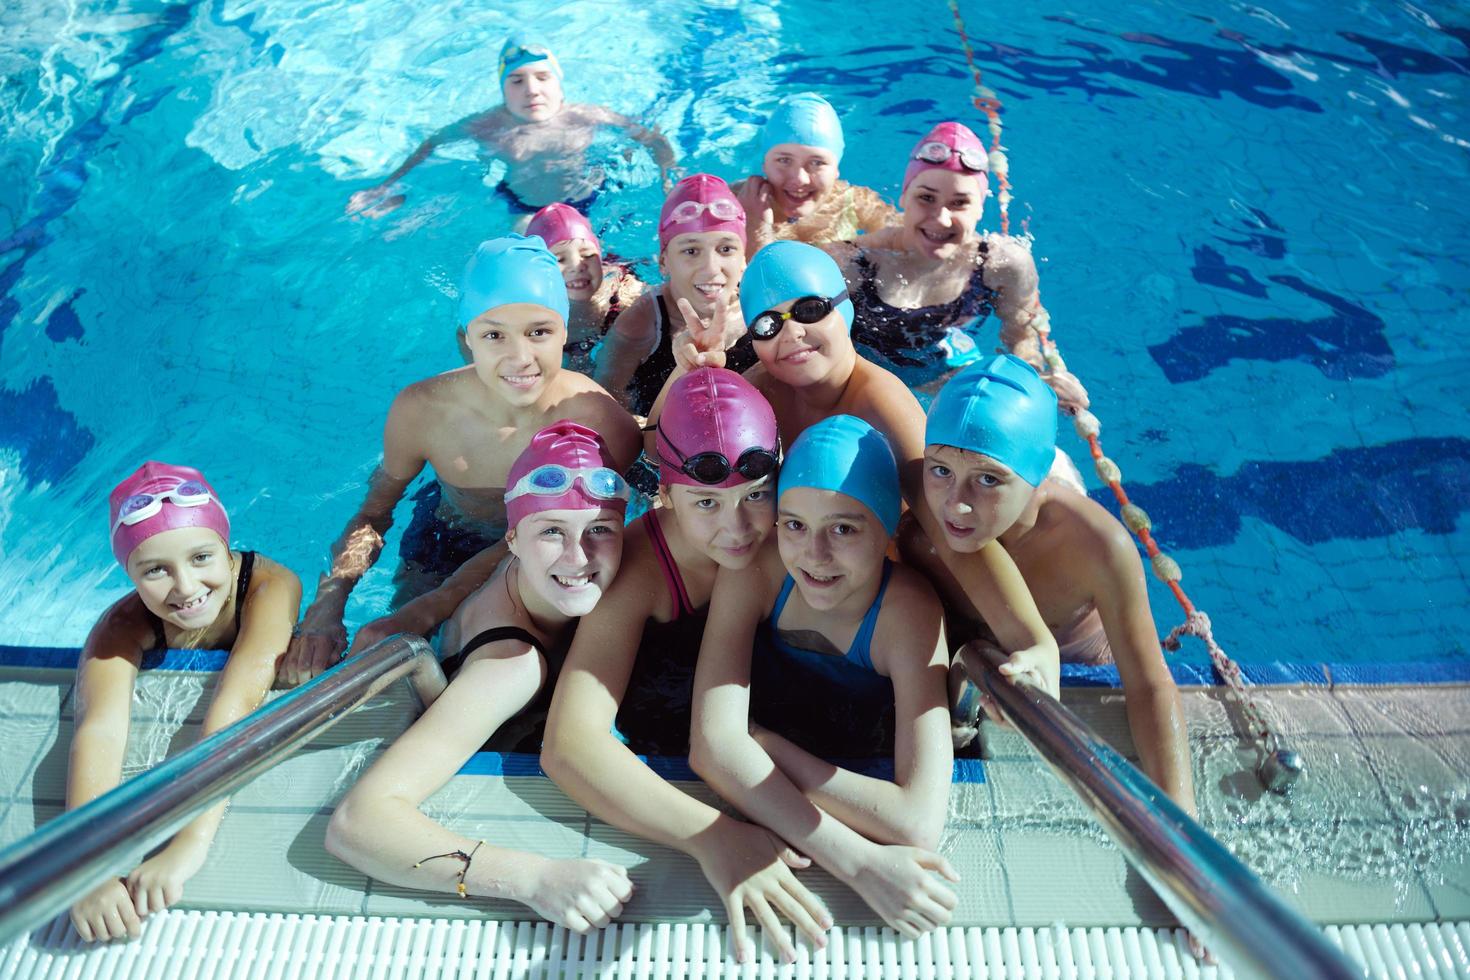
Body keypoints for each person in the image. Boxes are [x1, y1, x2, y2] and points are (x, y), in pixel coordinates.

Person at [662, 241, 1060, 700]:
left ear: (845, 309)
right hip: (800, 563)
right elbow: (666, 454)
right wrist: (692, 375)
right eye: (769, 325)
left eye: (810, 310)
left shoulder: (882, 405)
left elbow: (952, 533)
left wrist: (1031, 638)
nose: (791, 336)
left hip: (862, 578)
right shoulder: (762, 387)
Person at [541, 368, 838, 963]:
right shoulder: (641, 575)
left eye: (757, 495)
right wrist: (713, 837)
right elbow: (569, 744)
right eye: (707, 502)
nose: (739, 528)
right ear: (664, 494)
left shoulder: (805, 536)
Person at [282, 235, 640, 686]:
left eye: (539, 332)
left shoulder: (600, 419)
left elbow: (607, 530)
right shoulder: (422, 410)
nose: (520, 357)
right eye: (494, 335)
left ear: (565, 333)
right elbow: (374, 514)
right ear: (465, 339)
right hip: (448, 531)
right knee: (389, 656)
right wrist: (326, 608)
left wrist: (440, 602)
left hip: (554, 549)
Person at [326, 423, 638, 931]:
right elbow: (360, 823)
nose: (579, 557)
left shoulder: (521, 560)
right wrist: (533, 879)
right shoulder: (510, 667)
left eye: (599, 528)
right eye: (552, 531)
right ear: (513, 538)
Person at [691, 415, 958, 938]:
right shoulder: (761, 567)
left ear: (885, 528)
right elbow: (708, 749)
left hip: (829, 732)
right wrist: (857, 862)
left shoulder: (908, 613)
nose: (814, 556)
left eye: (843, 528)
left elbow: (916, 824)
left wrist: (760, 743)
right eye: (793, 524)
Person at [901, 355, 1196, 811]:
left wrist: (1181, 824)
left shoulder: (1095, 545)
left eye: (987, 480)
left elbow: (1149, 685)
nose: (956, 505)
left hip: (1082, 668)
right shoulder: (918, 535)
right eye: (941, 470)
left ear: (1038, 476)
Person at [68, 463, 301, 941]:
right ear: (127, 574)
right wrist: (86, 867)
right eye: (155, 570)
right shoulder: (121, 627)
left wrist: (190, 843)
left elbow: (234, 711)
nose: (186, 587)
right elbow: (100, 731)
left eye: (201, 557)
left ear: (226, 548)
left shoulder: (272, 586)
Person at [823, 121, 1089, 408]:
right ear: (904, 197)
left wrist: (1034, 385)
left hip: (943, 377)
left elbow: (1021, 336)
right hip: (857, 380)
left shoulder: (1002, 265)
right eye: (926, 198)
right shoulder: (851, 263)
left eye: (960, 202)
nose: (941, 219)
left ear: (979, 208)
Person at [345, 35, 677, 218]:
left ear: (560, 86)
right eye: (517, 81)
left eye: (543, 78)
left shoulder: (587, 116)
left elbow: (650, 138)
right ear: (503, 91)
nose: (532, 90)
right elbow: (432, 145)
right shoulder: (486, 124)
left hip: (589, 195)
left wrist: (669, 175)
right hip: (523, 204)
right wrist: (387, 186)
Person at [593, 174, 756, 416]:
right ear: (663, 262)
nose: (711, 268)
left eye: (726, 249)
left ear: (744, 259)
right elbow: (604, 405)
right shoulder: (640, 324)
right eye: (691, 251)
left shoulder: (761, 308)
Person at [730, 93, 895, 252]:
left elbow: (910, 245)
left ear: (836, 169)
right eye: (784, 160)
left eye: (817, 163)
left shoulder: (854, 201)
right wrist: (753, 225)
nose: (799, 179)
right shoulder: (731, 202)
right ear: (764, 164)